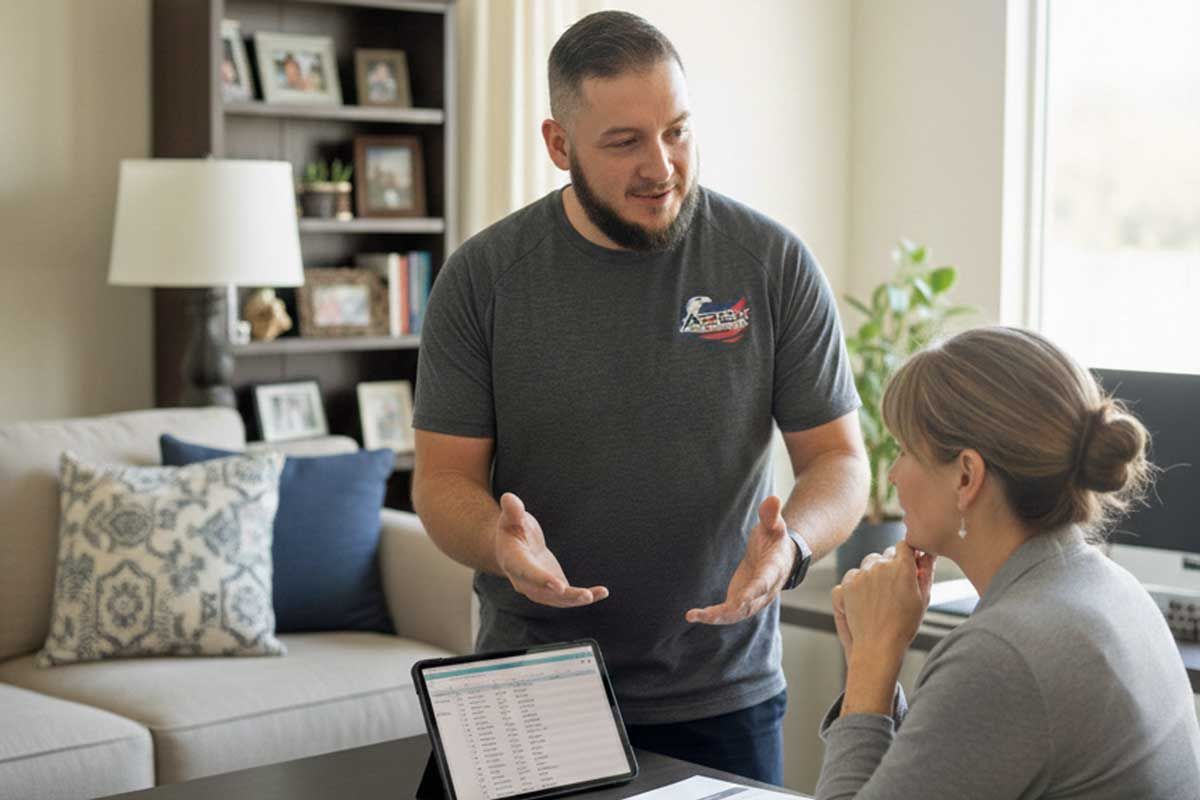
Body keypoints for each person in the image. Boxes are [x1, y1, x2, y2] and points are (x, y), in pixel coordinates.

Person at [411, 11, 870, 784]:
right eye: (624, 142)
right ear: (559, 145)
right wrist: (499, 543)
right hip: (535, 682)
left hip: (722, 688)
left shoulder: (771, 262)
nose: (661, 166)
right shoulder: (483, 279)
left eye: (678, 131)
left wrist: (792, 544)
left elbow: (839, 460)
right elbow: (443, 481)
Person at [816, 326, 1200, 799]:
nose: (892, 475)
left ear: (966, 477)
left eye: (905, 451)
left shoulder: (1004, 654)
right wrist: (872, 654)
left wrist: (871, 668)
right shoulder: (1109, 587)